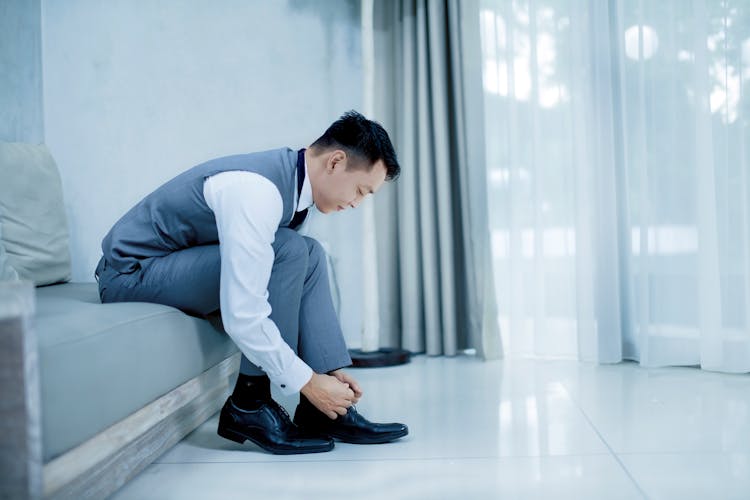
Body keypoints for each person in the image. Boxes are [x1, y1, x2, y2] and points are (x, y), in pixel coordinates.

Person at [94, 111, 408, 455]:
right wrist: (307, 382)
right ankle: (250, 402)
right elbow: (243, 313)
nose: (356, 203)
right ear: (335, 162)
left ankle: (321, 413)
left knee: (311, 252)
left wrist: (328, 376)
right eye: (361, 190)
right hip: (130, 274)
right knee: (288, 249)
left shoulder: (292, 187)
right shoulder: (256, 191)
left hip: (165, 268)